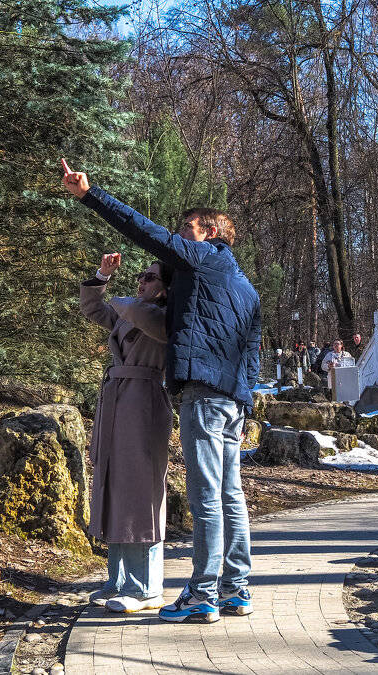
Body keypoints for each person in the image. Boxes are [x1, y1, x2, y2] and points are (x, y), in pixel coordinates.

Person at [62, 159, 261, 625]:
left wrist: (90, 195)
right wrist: (246, 403)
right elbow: (251, 351)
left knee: (206, 496)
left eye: (186, 228)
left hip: (205, 396)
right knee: (230, 495)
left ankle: (202, 594)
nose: (177, 235)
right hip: (231, 399)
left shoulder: (203, 258)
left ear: (211, 232)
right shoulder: (244, 288)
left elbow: (145, 232)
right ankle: (236, 589)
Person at [80, 254, 174, 613]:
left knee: (141, 494)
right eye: (141, 276)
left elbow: (132, 310)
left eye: (150, 278)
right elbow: (92, 308)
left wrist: (121, 298)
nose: (141, 281)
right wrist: (103, 275)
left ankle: (146, 587)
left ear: (166, 289)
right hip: (118, 403)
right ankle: (119, 581)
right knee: (116, 490)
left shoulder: (163, 316)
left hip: (144, 404)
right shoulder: (131, 313)